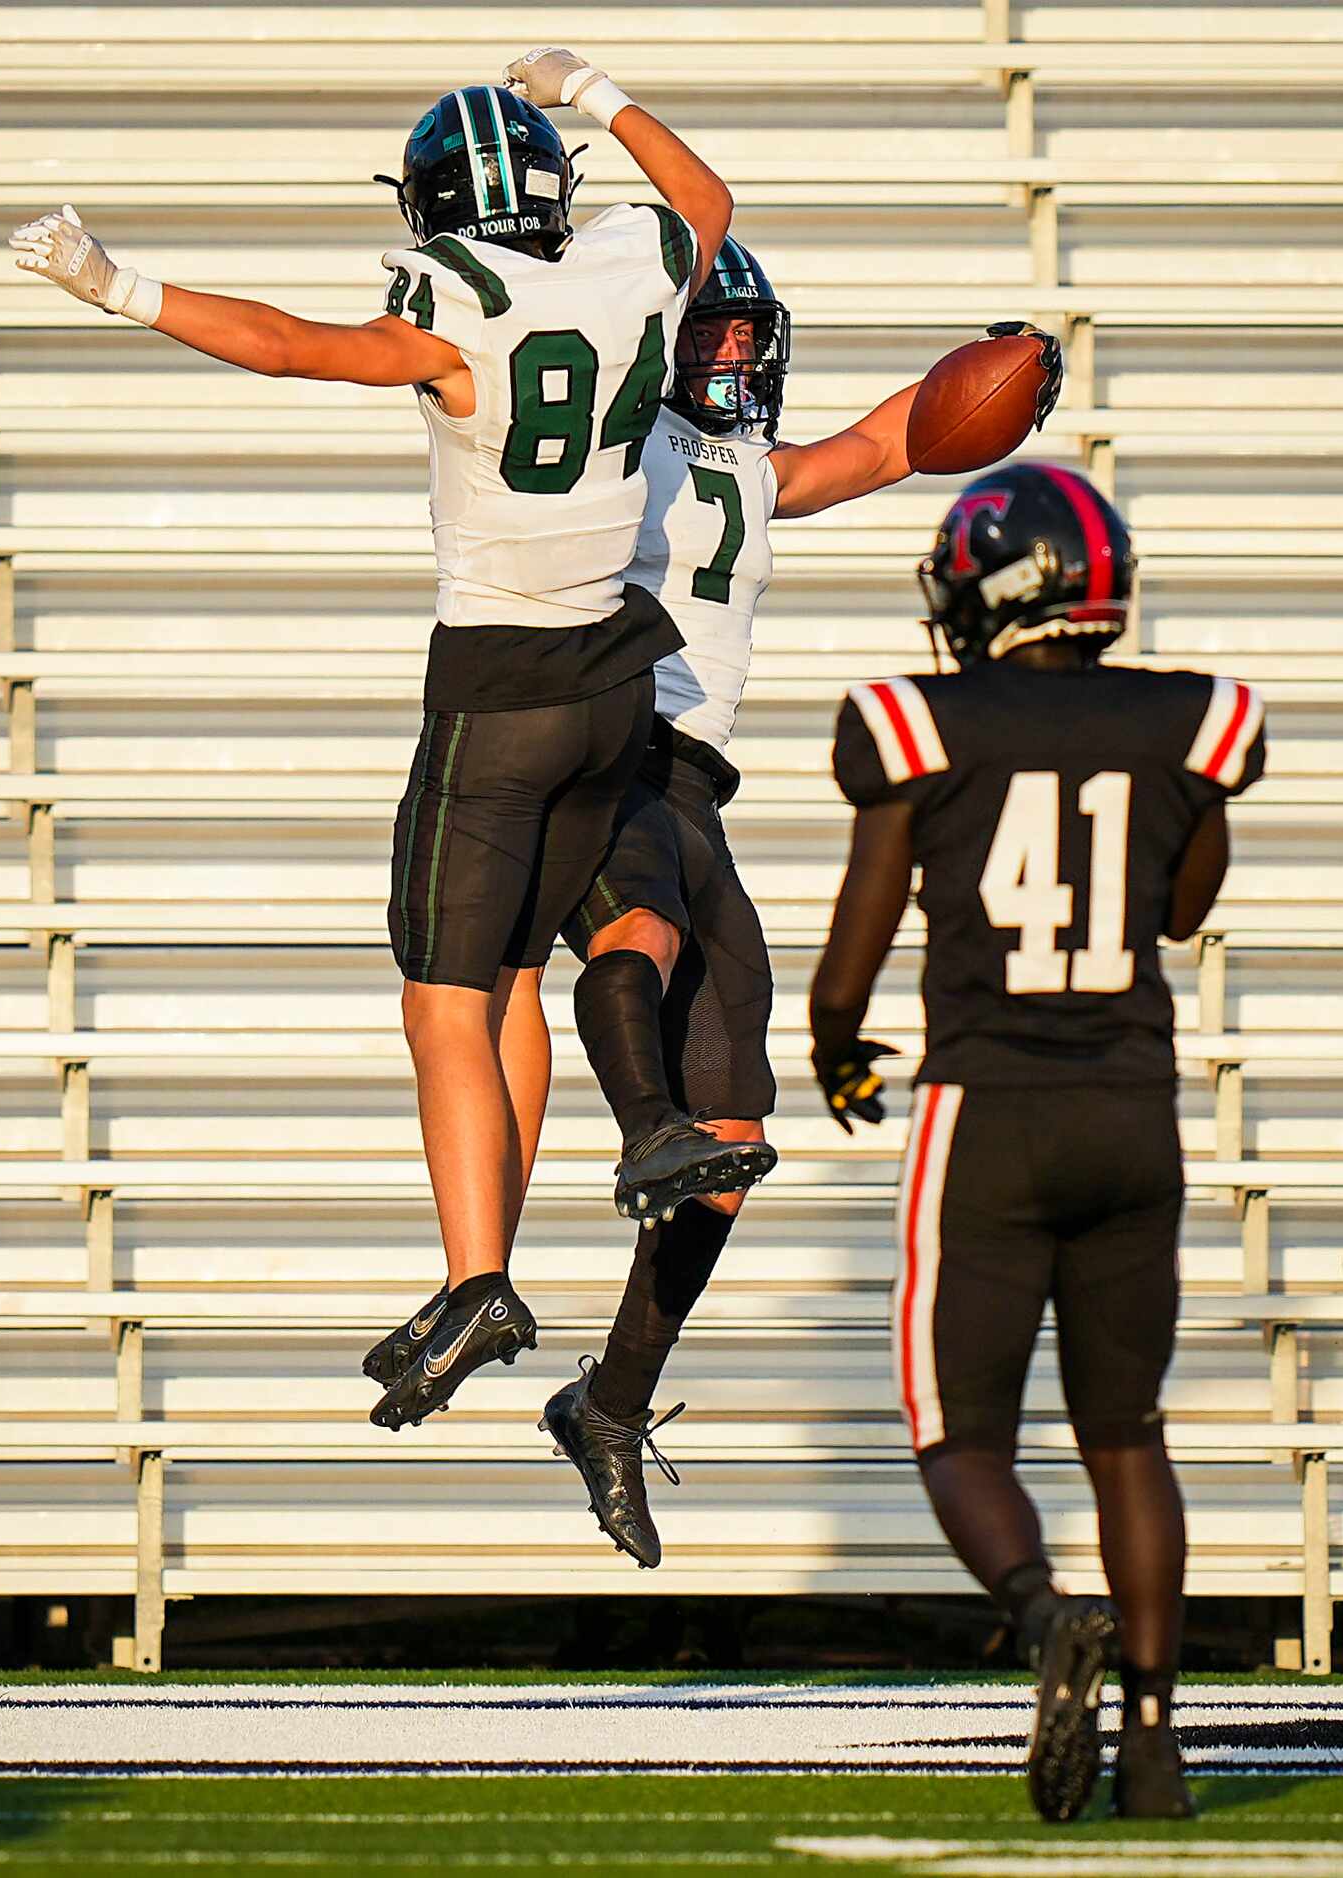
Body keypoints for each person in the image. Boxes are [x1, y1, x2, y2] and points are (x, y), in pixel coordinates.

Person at [8, 48, 740, 1428]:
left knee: (443, 994)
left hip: (501, 689)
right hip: (616, 680)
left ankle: (480, 1279)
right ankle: (488, 1271)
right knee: (518, 972)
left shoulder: (454, 305)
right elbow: (704, 197)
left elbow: (296, 346)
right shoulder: (638, 259)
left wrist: (120, 287)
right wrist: (593, 88)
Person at [367, 244, 1063, 1571]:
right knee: (641, 930)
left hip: (696, 785)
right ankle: (638, 1133)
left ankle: (610, 1401)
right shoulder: (602, 454)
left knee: (737, 1134)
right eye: (712, 340)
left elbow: (896, 442)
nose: (733, 364)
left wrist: (1012, 372)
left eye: (749, 341)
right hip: (601, 743)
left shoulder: (753, 468)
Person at [809, 463, 1265, 1822]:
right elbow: (1184, 906)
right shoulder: (1191, 719)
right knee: (1129, 1434)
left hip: (988, 1108)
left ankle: (1038, 1606)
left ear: (989, 586)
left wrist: (837, 1045)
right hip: (1133, 1104)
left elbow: (860, 937)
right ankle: (1157, 1740)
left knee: (961, 1433)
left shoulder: (916, 722)